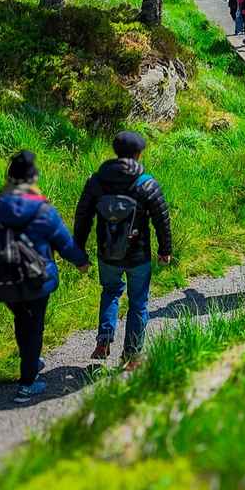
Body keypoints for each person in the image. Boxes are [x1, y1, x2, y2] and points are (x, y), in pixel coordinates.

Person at [0, 150, 89, 403]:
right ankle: (27, 383)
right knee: (33, 325)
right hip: (37, 280)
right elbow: (64, 244)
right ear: (33, 178)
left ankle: (31, 360)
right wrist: (81, 262)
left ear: (9, 178)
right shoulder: (43, 211)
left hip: (1, 280)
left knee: (22, 318)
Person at [73, 131, 173, 368]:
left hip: (108, 253)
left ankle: (104, 340)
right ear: (139, 153)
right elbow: (162, 218)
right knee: (138, 302)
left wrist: (79, 251)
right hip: (138, 255)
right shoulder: (146, 183)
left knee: (110, 292)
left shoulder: (96, 181)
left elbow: (83, 217)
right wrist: (165, 249)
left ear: (116, 151)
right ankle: (132, 356)